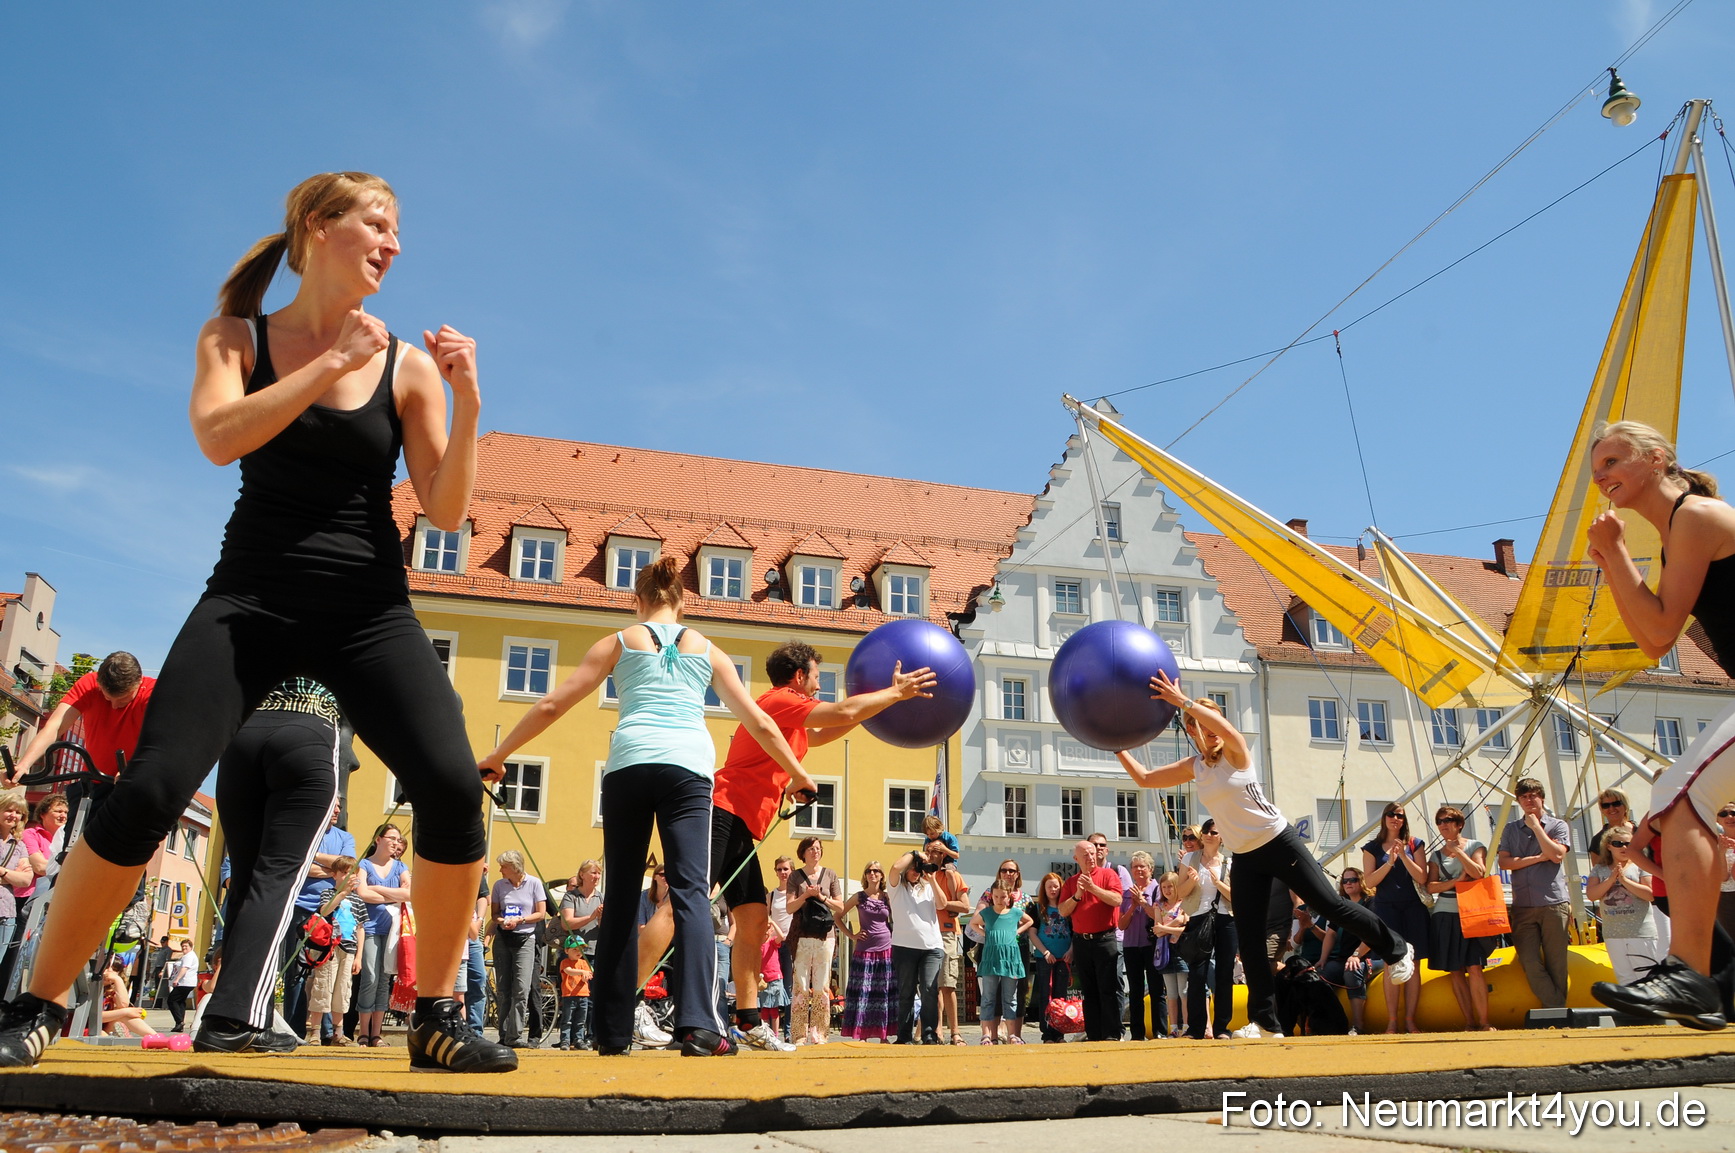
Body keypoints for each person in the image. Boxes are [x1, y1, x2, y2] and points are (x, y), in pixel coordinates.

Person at [0, 173, 513, 1073]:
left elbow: (442, 509)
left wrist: (468, 402)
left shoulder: (409, 364)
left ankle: (436, 1014)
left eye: (398, 231)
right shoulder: (235, 336)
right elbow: (218, 435)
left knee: (449, 783)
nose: (394, 244)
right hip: (251, 599)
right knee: (153, 788)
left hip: (367, 610)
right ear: (319, 227)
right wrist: (327, 364)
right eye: (378, 225)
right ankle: (34, 1004)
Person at [480, 557, 808, 1058]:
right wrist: (800, 775)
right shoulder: (708, 648)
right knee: (692, 893)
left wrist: (498, 756)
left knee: (620, 891)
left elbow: (552, 703)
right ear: (682, 601)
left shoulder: (620, 641)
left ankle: (609, 1032)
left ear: (638, 601)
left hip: (629, 766)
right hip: (688, 771)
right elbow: (761, 724)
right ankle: (699, 1027)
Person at [1116, 675, 1415, 1040]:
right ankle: (1266, 1022)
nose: (1209, 732)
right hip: (1245, 856)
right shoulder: (1195, 766)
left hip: (1278, 842)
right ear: (1192, 731)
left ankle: (1398, 948)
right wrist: (1118, 745)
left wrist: (1185, 703)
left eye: (1213, 723)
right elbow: (1146, 778)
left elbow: (1226, 730)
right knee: (1250, 936)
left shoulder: (1237, 752)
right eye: (1200, 726)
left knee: (1331, 904)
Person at [1583, 419, 1735, 1028]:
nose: (1603, 475)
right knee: (1679, 798)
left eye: (1614, 460)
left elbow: (1660, 629)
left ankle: (1691, 977)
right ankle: (1709, 981)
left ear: (1657, 458)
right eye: (1597, 469)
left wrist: (1615, 551)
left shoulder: (1697, 517)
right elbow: (1651, 638)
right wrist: (1610, 555)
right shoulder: (1680, 532)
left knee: (1681, 794)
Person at [708, 641, 930, 1052]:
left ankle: (749, 1021)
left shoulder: (790, 717)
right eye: (815, 676)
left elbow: (835, 726)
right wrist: (896, 693)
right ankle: (622, 1004)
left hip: (740, 825)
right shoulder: (780, 700)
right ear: (799, 677)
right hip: (722, 813)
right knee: (683, 904)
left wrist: (878, 704)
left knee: (754, 921)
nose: (817, 684)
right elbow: (843, 712)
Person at [199, 679, 355, 1054]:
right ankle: (234, 1020)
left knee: (246, 879)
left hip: (245, 732)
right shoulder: (350, 633)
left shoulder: (262, 623)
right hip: (309, 730)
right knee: (276, 879)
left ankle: (251, 1017)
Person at [6, 652, 155, 803]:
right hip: (93, 780)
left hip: (133, 783)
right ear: (99, 683)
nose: (114, 706)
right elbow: (56, 726)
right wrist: (24, 765)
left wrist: (135, 768)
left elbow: (163, 743)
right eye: (107, 698)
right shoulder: (89, 684)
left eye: (123, 700)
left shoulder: (155, 693)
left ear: (139, 682)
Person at [1496, 778, 1571, 1011]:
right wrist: (1538, 858)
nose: (1529, 800)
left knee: (1557, 961)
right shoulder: (1510, 829)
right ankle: (1556, 1005)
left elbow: (1557, 854)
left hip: (1553, 902)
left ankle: (1554, 1011)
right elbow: (1505, 862)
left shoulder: (1558, 825)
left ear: (1542, 798)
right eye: (1524, 796)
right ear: (1519, 800)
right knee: (1528, 960)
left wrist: (1537, 827)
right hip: (1523, 905)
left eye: (1533, 796)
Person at [1425, 806, 1493, 1032]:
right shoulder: (1435, 856)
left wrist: (1459, 852)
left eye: (1448, 820)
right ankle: (1469, 1022)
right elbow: (1431, 886)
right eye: (1440, 821)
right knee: (1455, 970)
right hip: (1445, 913)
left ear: (1459, 824)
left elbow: (1478, 872)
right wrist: (1456, 881)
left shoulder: (1475, 845)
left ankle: (1484, 1022)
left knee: (1475, 967)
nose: (1443, 824)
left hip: (1471, 913)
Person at [1363, 802, 1428, 1033]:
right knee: (1392, 964)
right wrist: (1389, 862)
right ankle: (1392, 1021)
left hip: (1413, 909)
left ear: (1404, 819)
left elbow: (1422, 878)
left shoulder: (1415, 843)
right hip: (1386, 909)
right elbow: (1369, 882)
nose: (1395, 818)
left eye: (1399, 815)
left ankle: (1410, 1020)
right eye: (1391, 814)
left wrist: (1404, 857)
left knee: (1414, 966)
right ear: (1384, 818)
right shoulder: (1372, 847)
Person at [1172, 820, 1234, 1039]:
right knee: (1197, 974)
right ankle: (1196, 1028)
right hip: (1198, 917)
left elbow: (1236, 897)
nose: (1208, 835)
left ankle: (1222, 1029)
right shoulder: (1190, 859)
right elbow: (1179, 893)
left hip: (1226, 918)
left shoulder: (1230, 861)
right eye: (1206, 831)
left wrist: (1218, 884)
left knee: (1225, 974)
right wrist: (1191, 880)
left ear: (1221, 837)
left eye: (1213, 832)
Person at [1057, 839, 1122, 1041]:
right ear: (1076, 859)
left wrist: (1093, 888)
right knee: (1089, 990)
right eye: (1085, 854)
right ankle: (1093, 1034)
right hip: (1082, 942)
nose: (1090, 857)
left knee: (1108, 988)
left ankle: (1111, 1033)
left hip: (1105, 939)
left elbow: (1117, 900)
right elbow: (1062, 910)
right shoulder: (1070, 882)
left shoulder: (1108, 875)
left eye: (1092, 853)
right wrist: (1078, 894)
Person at [1588, 823, 1664, 986]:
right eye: (1617, 843)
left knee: (1647, 977)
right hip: (1613, 933)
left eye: (1627, 844)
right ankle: (1632, 1011)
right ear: (1609, 846)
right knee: (1624, 978)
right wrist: (1611, 880)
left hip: (1640, 932)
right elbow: (1592, 895)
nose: (1623, 847)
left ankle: (1650, 1011)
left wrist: (1624, 880)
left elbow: (1651, 894)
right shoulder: (1599, 869)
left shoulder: (1641, 867)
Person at [354, 824, 409, 1047]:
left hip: (393, 930)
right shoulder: (365, 864)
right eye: (392, 838)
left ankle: (377, 1034)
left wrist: (377, 890)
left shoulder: (400, 866)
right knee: (370, 978)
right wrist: (393, 896)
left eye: (398, 839)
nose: (396, 843)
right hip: (369, 928)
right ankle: (363, 1033)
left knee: (384, 980)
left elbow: (409, 893)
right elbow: (362, 893)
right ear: (378, 839)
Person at [786, 836, 844, 1046]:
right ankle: (799, 1035)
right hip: (801, 936)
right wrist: (805, 896)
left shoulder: (831, 875)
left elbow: (841, 907)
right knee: (800, 985)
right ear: (803, 853)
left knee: (822, 986)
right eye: (810, 849)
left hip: (825, 936)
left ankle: (820, 1034)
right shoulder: (795, 876)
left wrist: (822, 898)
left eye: (818, 848)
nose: (815, 852)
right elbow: (790, 907)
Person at [488, 850, 546, 1049]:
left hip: (525, 939)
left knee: (521, 988)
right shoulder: (499, 885)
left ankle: (515, 1036)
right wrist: (503, 920)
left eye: (503, 866)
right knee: (503, 989)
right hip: (504, 939)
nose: (500, 870)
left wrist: (521, 919)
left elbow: (541, 913)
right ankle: (504, 1036)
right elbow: (494, 914)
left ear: (514, 867)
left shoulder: (534, 883)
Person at [886, 850, 943, 1045]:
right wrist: (914, 854)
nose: (916, 871)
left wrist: (932, 879)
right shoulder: (896, 888)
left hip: (932, 947)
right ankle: (904, 1036)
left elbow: (942, 904)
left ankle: (929, 1034)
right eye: (913, 867)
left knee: (929, 989)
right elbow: (894, 868)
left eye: (918, 868)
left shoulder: (927, 887)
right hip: (904, 946)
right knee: (905, 992)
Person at [971, 859, 1030, 1041]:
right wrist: (986, 933)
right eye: (1004, 870)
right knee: (989, 997)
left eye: (1012, 870)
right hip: (991, 955)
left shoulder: (1024, 901)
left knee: (1012, 997)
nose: (1008, 873)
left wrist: (1016, 931)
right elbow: (974, 922)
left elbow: (1030, 921)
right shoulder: (988, 903)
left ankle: (1013, 1034)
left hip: (1013, 955)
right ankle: (989, 1035)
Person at [307, 856, 363, 1046]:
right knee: (323, 986)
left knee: (342, 990)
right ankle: (314, 1032)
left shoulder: (358, 901)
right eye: (345, 873)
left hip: (349, 949)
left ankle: (338, 1033)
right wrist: (342, 894)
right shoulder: (328, 893)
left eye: (352, 873)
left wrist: (359, 956)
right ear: (335, 875)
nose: (349, 877)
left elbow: (360, 928)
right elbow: (324, 911)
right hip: (329, 948)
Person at [838, 861, 895, 1042]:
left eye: (876, 870)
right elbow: (837, 916)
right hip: (864, 951)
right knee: (864, 992)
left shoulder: (887, 897)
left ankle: (883, 1035)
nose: (872, 873)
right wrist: (851, 935)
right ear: (866, 875)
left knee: (883, 993)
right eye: (869, 870)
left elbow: (898, 919)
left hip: (886, 950)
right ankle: (861, 1034)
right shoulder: (859, 897)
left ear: (881, 875)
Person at [1317, 868, 1377, 1035]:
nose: (1348, 883)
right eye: (1345, 881)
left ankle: (1358, 1025)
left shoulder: (1371, 902)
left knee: (1352, 971)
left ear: (1361, 881)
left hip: (1371, 957)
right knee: (1320, 975)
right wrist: (1323, 959)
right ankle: (1328, 1024)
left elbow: (1373, 934)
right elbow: (1331, 933)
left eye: (1353, 880)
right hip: (1346, 958)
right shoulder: (1342, 905)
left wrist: (1357, 954)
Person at [929, 843, 971, 1044]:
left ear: (943, 854)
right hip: (926, 933)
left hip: (946, 932)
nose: (931, 855)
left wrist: (945, 904)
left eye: (936, 851)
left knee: (948, 984)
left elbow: (965, 906)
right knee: (932, 988)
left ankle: (955, 1032)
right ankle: (937, 1031)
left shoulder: (952, 876)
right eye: (928, 851)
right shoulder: (922, 877)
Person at [1118, 850, 1163, 1041]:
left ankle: (1159, 1031)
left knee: (1156, 990)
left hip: (1151, 944)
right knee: (1135, 991)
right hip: (1131, 945)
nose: (1138, 870)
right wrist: (1133, 906)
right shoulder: (1126, 893)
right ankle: (1137, 1033)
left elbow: (1158, 916)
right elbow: (1121, 924)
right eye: (1135, 867)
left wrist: (1143, 903)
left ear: (1150, 869)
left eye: (1142, 866)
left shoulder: (1158, 889)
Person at [1025, 872, 1073, 1043]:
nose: (1053, 889)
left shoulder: (1067, 907)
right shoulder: (1037, 909)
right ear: (1044, 889)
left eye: (1056, 886)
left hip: (1064, 958)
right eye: (1049, 886)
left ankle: (1059, 1033)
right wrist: (1045, 952)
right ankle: (1047, 1033)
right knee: (1046, 995)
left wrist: (1071, 951)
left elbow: (1075, 931)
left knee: (1061, 996)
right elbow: (1032, 933)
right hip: (1045, 958)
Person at [1151, 871, 1189, 1037]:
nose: (1167, 890)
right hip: (1166, 950)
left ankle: (1187, 1025)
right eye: (1163, 887)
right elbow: (1156, 931)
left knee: (1184, 991)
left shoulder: (1184, 903)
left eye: (1170, 887)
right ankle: (1173, 1027)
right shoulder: (1158, 905)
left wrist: (1166, 928)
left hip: (1182, 949)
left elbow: (1184, 930)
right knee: (1171, 992)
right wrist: (1175, 923)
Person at [0, 801, 32, 999]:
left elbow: (26, 879)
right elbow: (18, 877)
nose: (13, 815)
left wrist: (2, 871)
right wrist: (12, 874)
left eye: (19, 812)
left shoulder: (19, 846)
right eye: (9, 810)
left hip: (6, 913)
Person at [557, 933, 593, 1050]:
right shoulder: (565, 962)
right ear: (567, 951)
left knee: (580, 1021)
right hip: (569, 995)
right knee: (567, 1020)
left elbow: (587, 976)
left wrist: (585, 976)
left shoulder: (584, 963)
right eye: (575, 949)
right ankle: (565, 1040)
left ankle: (579, 1039)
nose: (579, 952)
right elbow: (569, 971)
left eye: (581, 949)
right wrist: (582, 973)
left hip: (583, 995)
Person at [165, 940, 199, 1033]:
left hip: (184, 982)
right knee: (180, 1002)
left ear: (191, 947)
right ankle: (179, 1024)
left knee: (172, 1000)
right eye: (183, 946)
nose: (184, 948)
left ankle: (179, 1021)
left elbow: (184, 968)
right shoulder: (188, 956)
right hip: (187, 983)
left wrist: (177, 979)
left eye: (186, 946)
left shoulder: (189, 956)